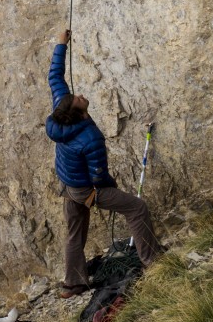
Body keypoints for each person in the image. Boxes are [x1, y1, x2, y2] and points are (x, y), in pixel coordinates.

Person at [46, 29, 163, 298]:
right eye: (79, 99)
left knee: (75, 232)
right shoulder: (90, 137)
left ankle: (73, 283)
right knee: (136, 208)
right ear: (79, 112)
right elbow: (98, 175)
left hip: (67, 183)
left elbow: (55, 76)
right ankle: (153, 262)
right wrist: (109, 187)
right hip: (85, 188)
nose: (81, 95)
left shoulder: (60, 112)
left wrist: (61, 44)